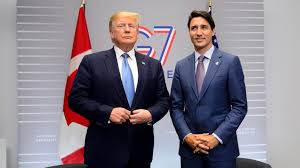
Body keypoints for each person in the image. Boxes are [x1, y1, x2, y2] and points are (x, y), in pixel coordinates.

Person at [68, 11, 169, 168]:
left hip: (141, 151)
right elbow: (76, 99)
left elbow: (163, 101)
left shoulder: (153, 65)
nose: (127, 30)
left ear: (137, 31)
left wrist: (150, 114)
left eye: (132, 26)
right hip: (103, 151)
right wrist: (107, 112)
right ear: (111, 33)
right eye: (121, 26)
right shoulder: (92, 62)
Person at [170, 10, 247, 168]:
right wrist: (188, 136)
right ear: (189, 32)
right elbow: (175, 107)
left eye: (204, 27)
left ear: (213, 30)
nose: (198, 32)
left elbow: (239, 106)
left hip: (221, 151)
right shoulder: (181, 66)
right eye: (194, 28)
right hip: (190, 151)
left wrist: (216, 137)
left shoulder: (230, 62)